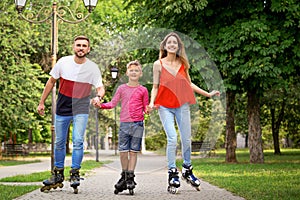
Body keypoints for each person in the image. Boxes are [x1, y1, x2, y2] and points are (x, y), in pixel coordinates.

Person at [148, 32, 220, 193]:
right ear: (165, 46)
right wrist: (152, 102)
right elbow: (155, 86)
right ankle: (172, 173)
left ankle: (187, 169)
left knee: (186, 138)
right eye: (169, 42)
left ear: (179, 46)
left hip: (182, 104)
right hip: (164, 105)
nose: (172, 45)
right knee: (172, 138)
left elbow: (189, 83)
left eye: (175, 42)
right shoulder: (157, 64)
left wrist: (208, 94)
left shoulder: (183, 63)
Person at [37, 35, 105, 193]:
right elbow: (51, 82)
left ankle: (75, 173)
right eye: (78, 45)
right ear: (74, 47)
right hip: (63, 107)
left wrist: (98, 96)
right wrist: (41, 102)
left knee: (78, 140)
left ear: (88, 49)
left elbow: (100, 87)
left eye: (84, 46)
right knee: (59, 142)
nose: (81, 48)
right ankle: (58, 174)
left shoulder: (93, 68)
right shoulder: (63, 62)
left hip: (81, 107)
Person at [98, 60, 149, 194]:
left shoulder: (143, 90)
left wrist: (149, 109)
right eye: (131, 70)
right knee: (123, 152)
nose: (133, 72)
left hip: (138, 124)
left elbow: (146, 107)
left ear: (140, 73)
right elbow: (113, 104)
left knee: (133, 152)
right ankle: (125, 176)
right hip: (124, 124)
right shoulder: (121, 89)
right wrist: (101, 105)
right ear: (127, 73)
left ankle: (130, 177)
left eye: (136, 70)